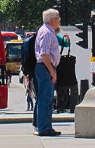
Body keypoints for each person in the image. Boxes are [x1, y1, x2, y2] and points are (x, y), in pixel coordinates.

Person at [33, 8, 62, 136]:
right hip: (45, 68)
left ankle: (45, 126)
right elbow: (45, 54)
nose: (59, 20)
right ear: (52, 20)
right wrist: (52, 71)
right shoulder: (48, 33)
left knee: (45, 99)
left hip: (43, 68)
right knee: (46, 99)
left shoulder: (45, 30)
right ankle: (44, 128)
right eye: (58, 18)